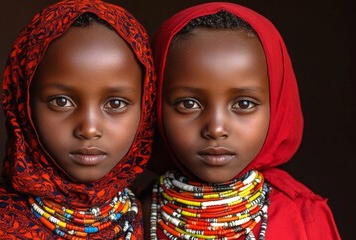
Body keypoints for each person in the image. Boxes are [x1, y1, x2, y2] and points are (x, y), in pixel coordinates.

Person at [0, 1, 156, 239]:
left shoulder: (150, 214)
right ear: (24, 104)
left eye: (115, 103)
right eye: (61, 102)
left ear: (146, 106)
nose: (89, 129)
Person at [144, 2, 341, 239]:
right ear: (153, 104)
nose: (216, 129)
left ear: (277, 105)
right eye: (188, 104)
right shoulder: (127, 218)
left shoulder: (302, 218)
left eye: (244, 104)